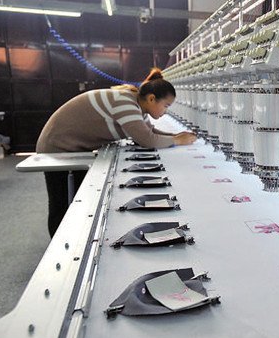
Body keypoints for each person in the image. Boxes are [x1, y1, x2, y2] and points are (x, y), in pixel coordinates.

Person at [36, 68, 195, 236]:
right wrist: (177, 140)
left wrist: (177, 136)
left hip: (73, 149)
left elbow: (149, 131)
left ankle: (73, 236)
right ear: (151, 99)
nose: (165, 111)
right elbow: (147, 139)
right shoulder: (125, 103)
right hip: (57, 147)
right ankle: (59, 243)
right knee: (61, 202)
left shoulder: (136, 105)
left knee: (78, 199)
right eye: (165, 106)